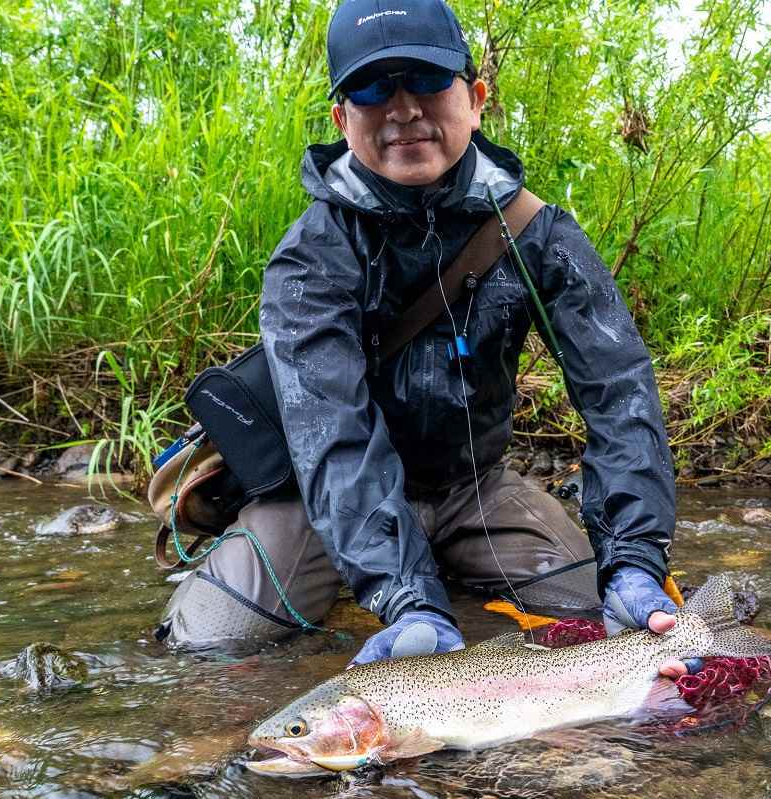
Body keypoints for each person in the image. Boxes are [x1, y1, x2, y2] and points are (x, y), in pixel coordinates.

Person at [157, 0, 687, 676]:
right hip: (322, 504)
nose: (403, 109)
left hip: (474, 488)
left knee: (610, 627)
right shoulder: (310, 258)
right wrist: (408, 599)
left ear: (477, 98)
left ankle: (457, 578)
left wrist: (637, 558)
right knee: (206, 644)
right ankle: (397, 582)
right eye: (374, 88)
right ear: (341, 118)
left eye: (428, 81)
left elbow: (620, 393)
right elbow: (334, 439)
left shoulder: (539, 233)